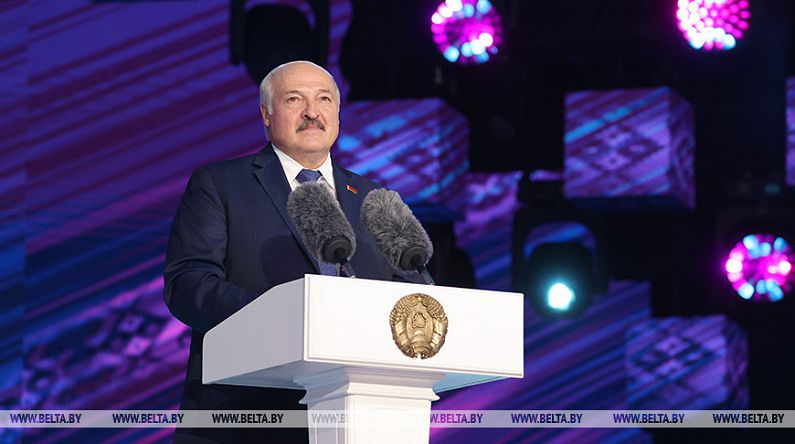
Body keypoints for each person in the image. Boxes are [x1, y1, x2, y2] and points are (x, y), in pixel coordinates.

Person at [163, 61, 402, 443]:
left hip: (362, 417)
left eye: (324, 99)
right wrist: (284, 320)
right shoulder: (221, 184)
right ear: (266, 114)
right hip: (246, 417)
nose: (312, 112)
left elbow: (410, 289)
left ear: (338, 113)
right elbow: (190, 284)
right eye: (294, 99)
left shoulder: (374, 198)